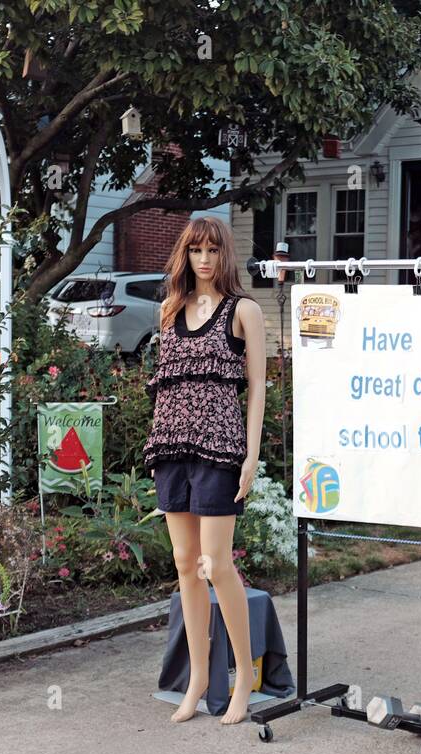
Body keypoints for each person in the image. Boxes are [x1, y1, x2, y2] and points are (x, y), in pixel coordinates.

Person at [141, 216, 266, 725]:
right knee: (185, 563)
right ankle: (196, 679)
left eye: (213, 250)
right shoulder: (170, 310)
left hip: (220, 449)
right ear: (186, 255)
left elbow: (256, 389)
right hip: (172, 445)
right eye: (196, 250)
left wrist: (251, 455)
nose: (205, 259)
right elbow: (166, 385)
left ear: (224, 254)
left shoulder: (244, 310)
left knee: (216, 564)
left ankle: (243, 675)